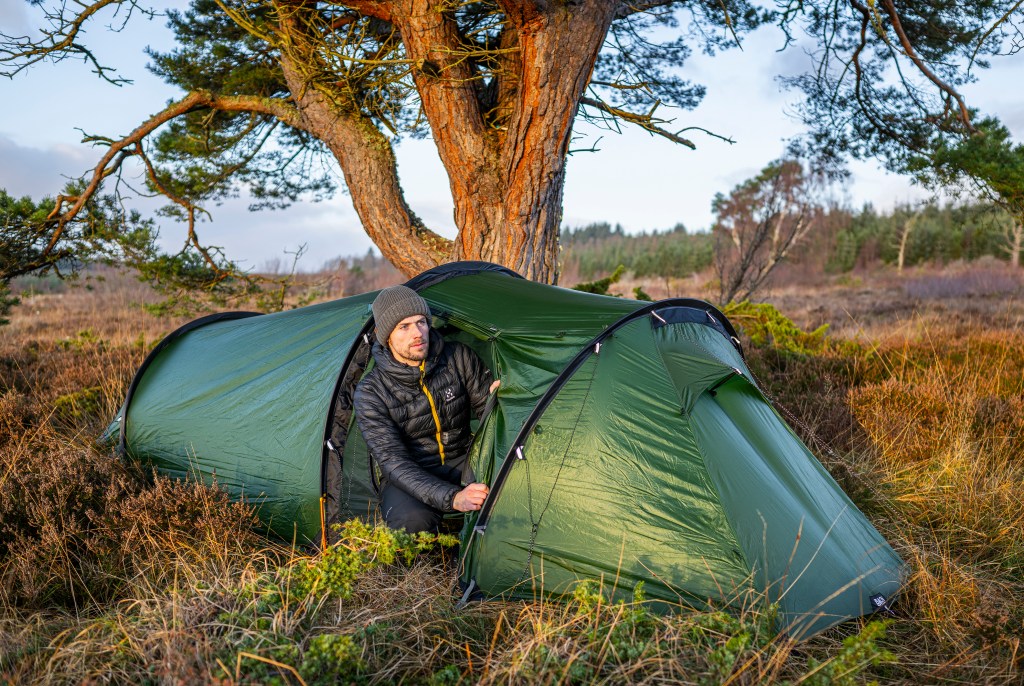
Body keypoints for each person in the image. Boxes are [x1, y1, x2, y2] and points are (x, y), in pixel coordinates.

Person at [353, 285, 499, 533]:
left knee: (508, 489)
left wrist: (499, 403)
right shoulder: (371, 392)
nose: (418, 333)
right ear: (384, 335)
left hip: (464, 459)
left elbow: (491, 419)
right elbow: (394, 462)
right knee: (412, 522)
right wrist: (453, 498)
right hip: (410, 472)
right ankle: (423, 568)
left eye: (421, 322)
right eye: (404, 327)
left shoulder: (458, 357)